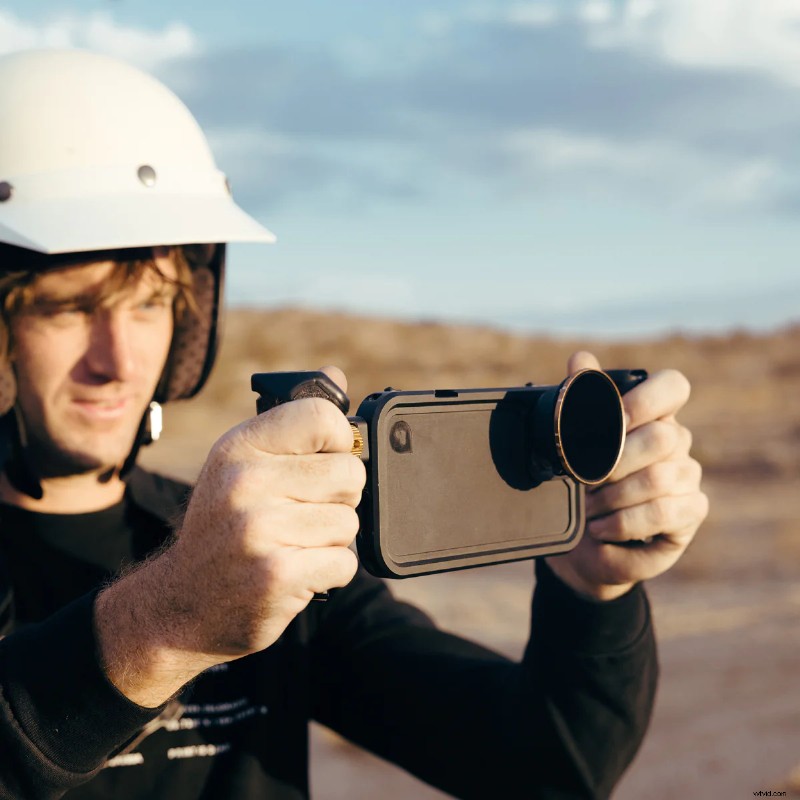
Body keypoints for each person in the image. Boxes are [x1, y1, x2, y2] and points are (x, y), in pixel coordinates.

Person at [0, 48, 708, 800]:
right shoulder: (212, 569)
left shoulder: (250, 550)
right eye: (67, 308)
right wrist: (169, 620)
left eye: (148, 306)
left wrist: (590, 594)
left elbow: (547, 764)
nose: (117, 359)